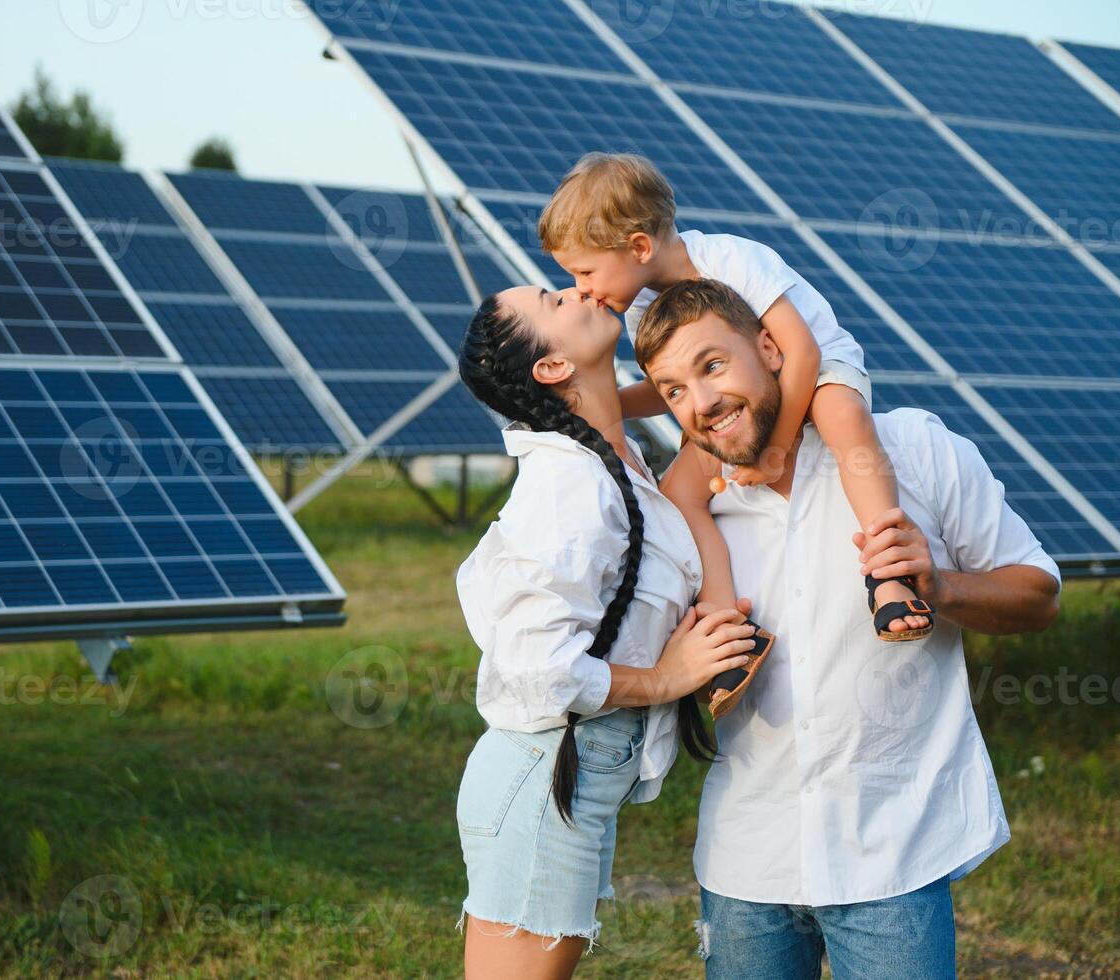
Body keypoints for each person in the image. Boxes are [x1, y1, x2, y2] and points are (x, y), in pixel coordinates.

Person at [633, 279, 1061, 979]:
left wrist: (939, 584)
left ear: (770, 349)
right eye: (673, 390)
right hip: (745, 863)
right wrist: (678, 662)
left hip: (892, 854)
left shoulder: (913, 450)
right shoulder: (686, 516)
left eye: (712, 366)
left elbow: (1037, 597)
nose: (700, 403)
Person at [539, 153, 932, 718]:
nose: (581, 290)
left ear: (639, 248)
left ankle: (889, 575)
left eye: (585, 273)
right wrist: (613, 407)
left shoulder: (730, 257)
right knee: (681, 492)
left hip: (814, 374)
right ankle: (728, 626)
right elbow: (672, 385)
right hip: (733, 404)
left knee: (847, 425)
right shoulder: (640, 307)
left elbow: (801, 350)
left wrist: (774, 448)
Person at [452, 283, 766, 979]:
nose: (578, 287)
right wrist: (663, 678)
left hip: (565, 772)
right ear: (552, 367)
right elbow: (537, 663)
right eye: (552, 299)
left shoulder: (607, 461)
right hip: (543, 775)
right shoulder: (571, 483)